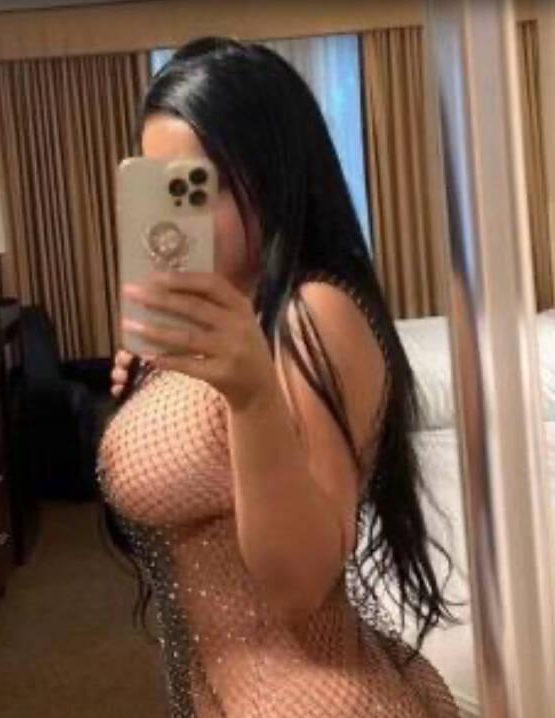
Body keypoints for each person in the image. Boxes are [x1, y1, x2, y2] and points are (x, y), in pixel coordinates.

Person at [98, 36, 458, 717]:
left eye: (199, 185)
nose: (176, 216)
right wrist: (151, 392)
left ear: (271, 174)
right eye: (160, 188)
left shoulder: (312, 313)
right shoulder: (235, 317)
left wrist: (251, 394)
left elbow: (300, 587)